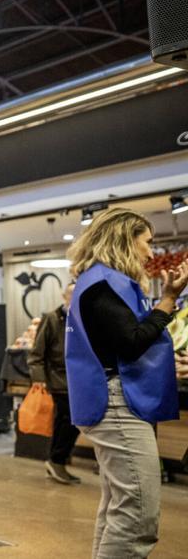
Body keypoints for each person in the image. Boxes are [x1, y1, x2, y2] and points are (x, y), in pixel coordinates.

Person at [65, 208, 188, 559]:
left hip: (110, 400)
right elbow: (131, 342)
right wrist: (167, 303)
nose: (151, 253)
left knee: (119, 506)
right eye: (147, 243)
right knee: (137, 513)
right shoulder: (103, 286)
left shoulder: (96, 283)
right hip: (118, 403)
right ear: (124, 239)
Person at [28, 281, 82, 485]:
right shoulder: (52, 319)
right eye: (71, 294)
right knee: (69, 420)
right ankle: (57, 460)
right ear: (63, 296)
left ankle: (57, 461)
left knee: (69, 421)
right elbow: (36, 354)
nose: (75, 298)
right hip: (58, 381)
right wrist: (39, 380)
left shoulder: (82, 319)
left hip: (78, 381)